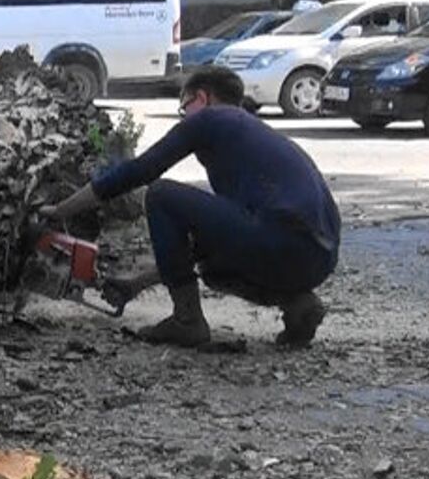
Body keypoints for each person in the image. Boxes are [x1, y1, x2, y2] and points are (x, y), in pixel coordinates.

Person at [40, 67, 339, 348]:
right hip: (319, 258)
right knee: (212, 267)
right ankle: (299, 304)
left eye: (184, 109)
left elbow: (141, 170)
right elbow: (201, 246)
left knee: (161, 195)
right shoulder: (254, 136)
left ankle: (187, 320)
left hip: (280, 238)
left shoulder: (211, 119)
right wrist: (135, 285)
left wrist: (61, 211)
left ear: (201, 98)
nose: (184, 118)